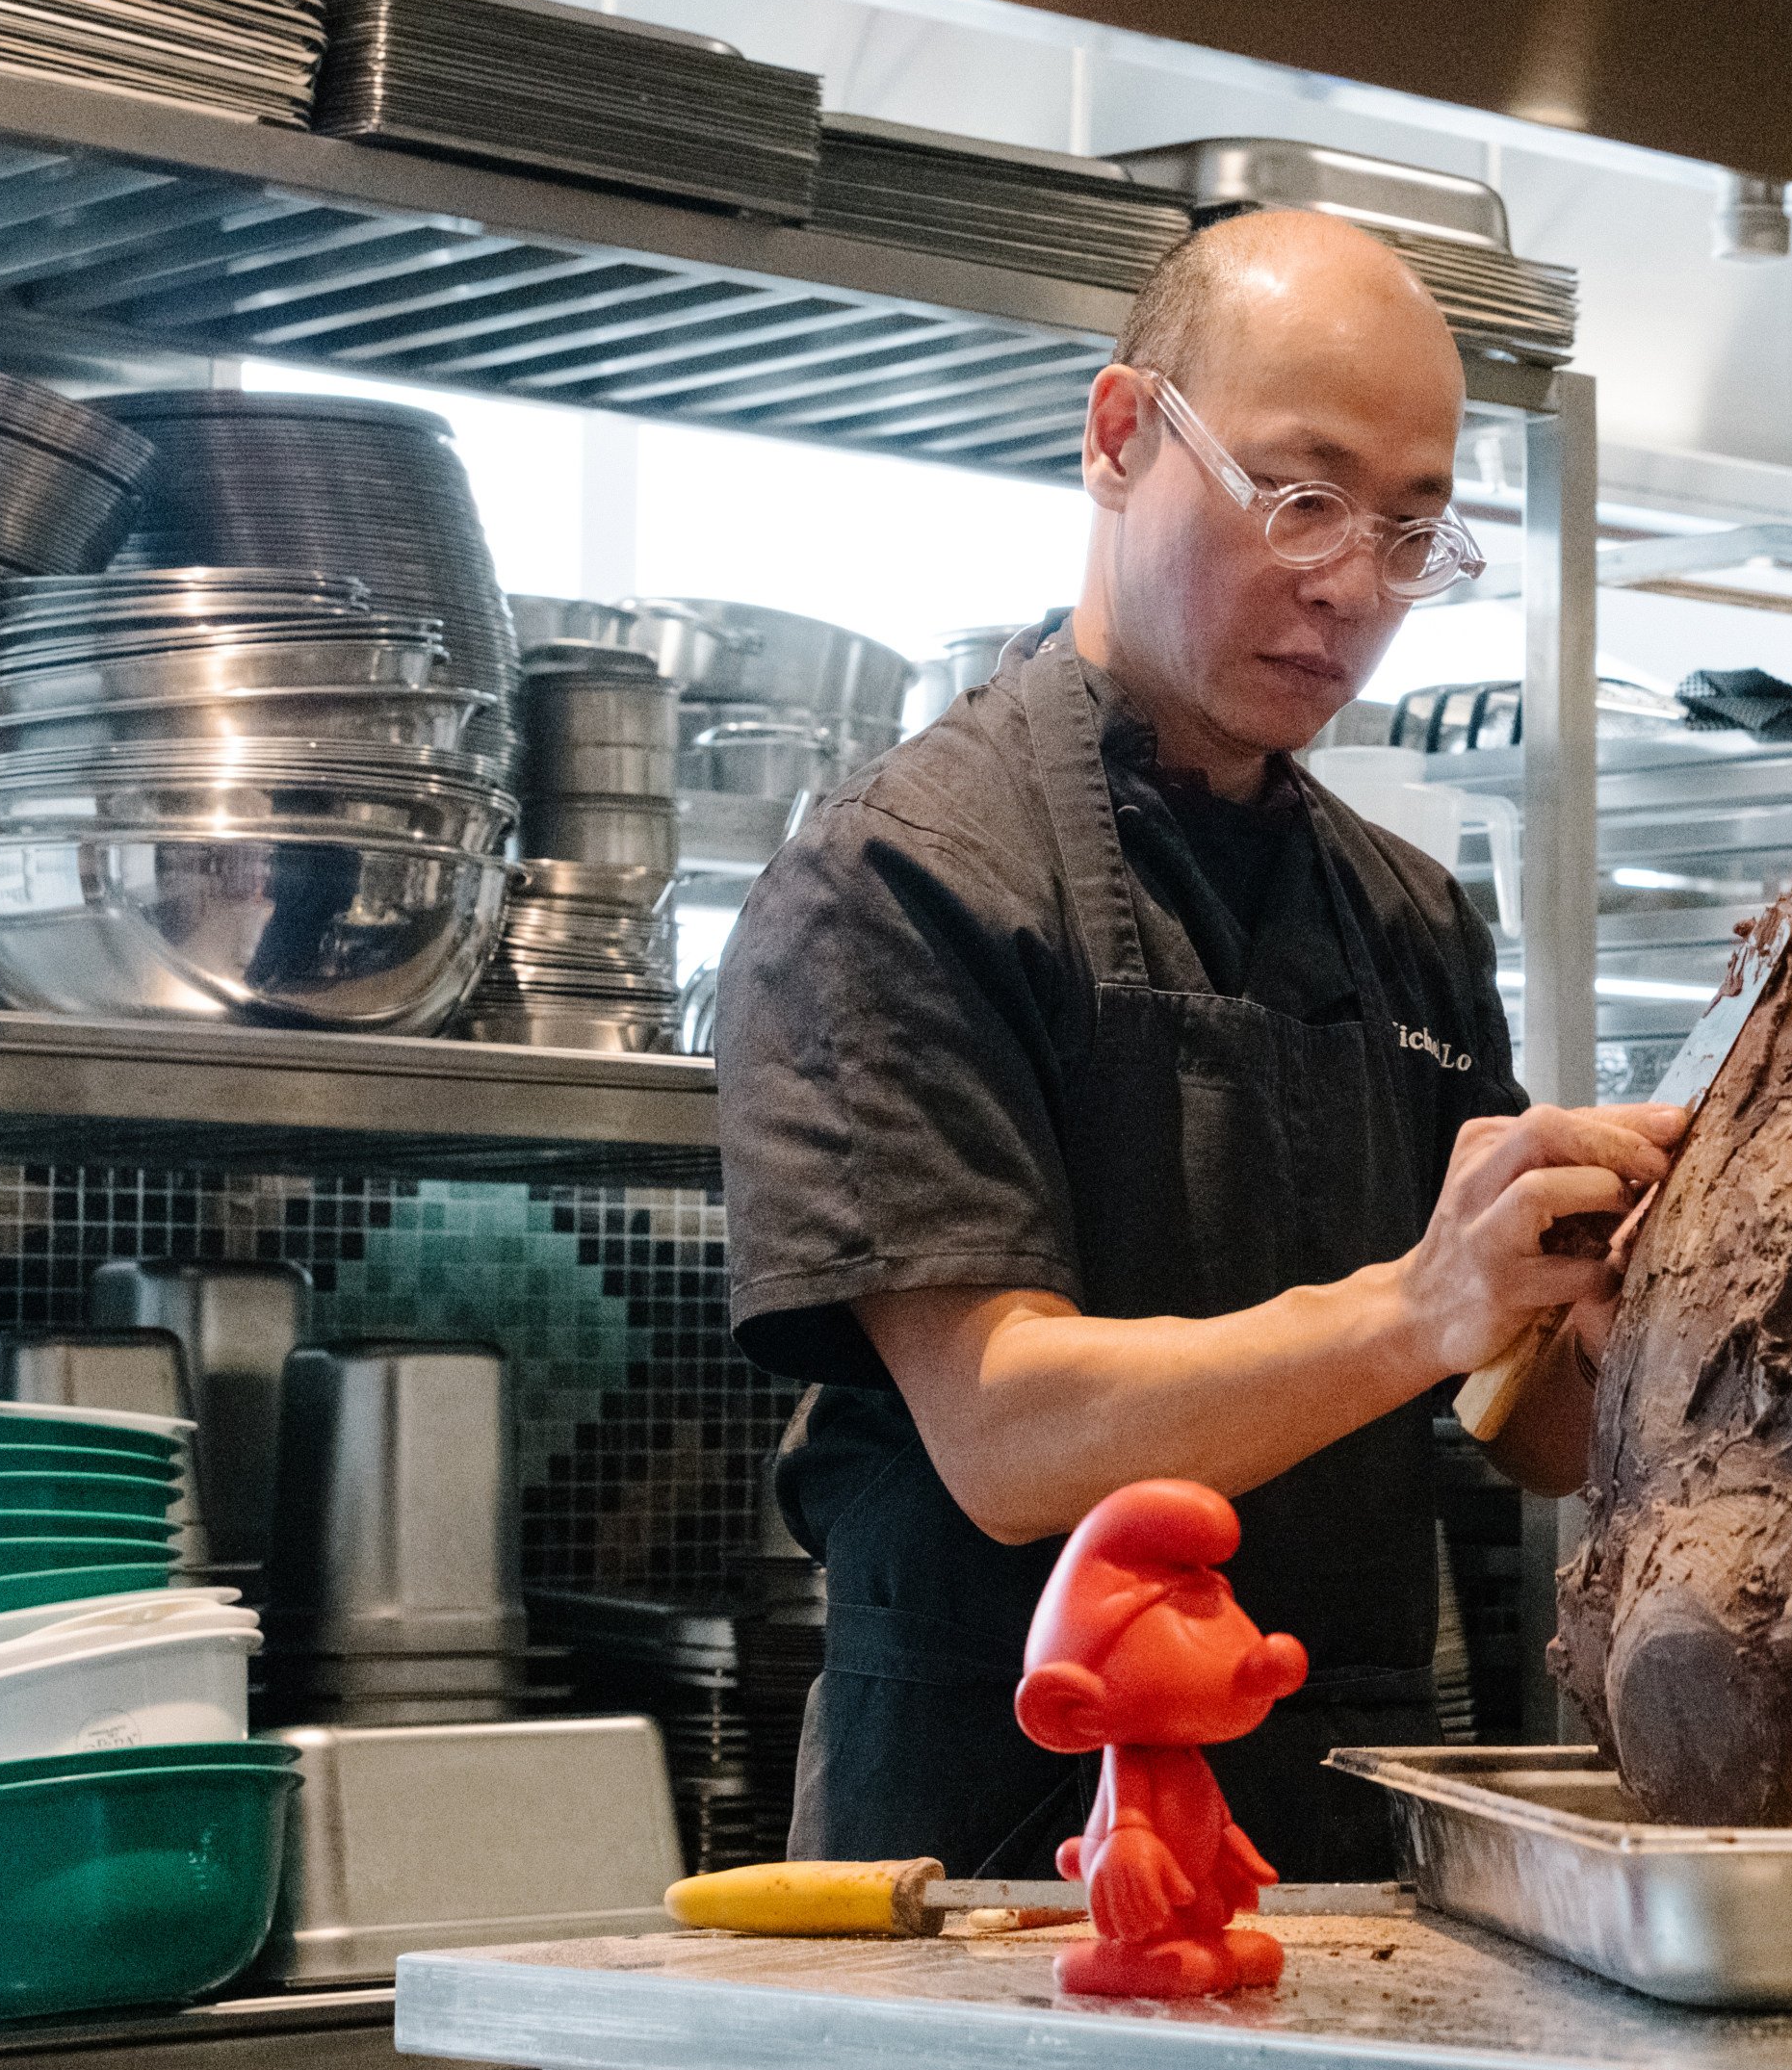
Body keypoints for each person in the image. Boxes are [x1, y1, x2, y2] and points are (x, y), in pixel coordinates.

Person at [713, 208, 1683, 1879]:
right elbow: (1009, 1432)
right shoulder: (898, 881)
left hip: (1351, 1845)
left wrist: (1629, 1322)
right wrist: (1417, 1301)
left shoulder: (1405, 918)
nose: (1350, 585)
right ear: (1118, 435)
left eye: (1411, 530)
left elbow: (1508, 1413)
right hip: (1000, 1864)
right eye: (1299, 498)